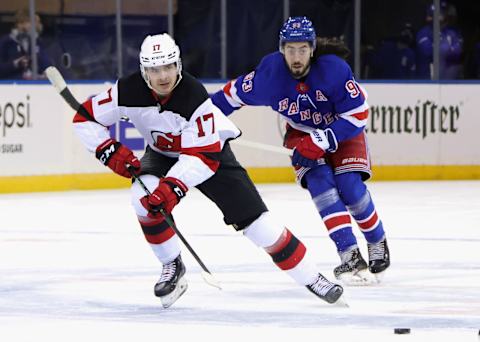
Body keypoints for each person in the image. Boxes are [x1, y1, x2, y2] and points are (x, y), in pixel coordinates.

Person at [71, 32, 344, 308]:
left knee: (260, 227)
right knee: (142, 201)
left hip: (210, 154)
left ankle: (312, 277)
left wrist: (172, 188)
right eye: (155, 69)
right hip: (162, 153)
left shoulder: (194, 96)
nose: (163, 76)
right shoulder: (126, 91)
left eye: (168, 66)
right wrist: (109, 151)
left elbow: (200, 158)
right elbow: (84, 118)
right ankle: (172, 266)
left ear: (178, 65)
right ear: (144, 71)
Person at [212, 17, 390, 285]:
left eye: (303, 49)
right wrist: (196, 121)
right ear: (281, 48)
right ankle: (349, 253)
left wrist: (322, 139)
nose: (296, 57)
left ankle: (377, 240)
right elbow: (228, 97)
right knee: (321, 185)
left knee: (350, 187)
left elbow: (359, 113)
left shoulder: (334, 70)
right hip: (301, 134)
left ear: (313, 48)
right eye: (290, 49)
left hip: (342, 129)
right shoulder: (269, 75)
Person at [416, 1, 463, 79]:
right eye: (440, 12)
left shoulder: (451, 33)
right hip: (427, 82)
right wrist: (447, 49)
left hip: (449, 81)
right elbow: (429, 52)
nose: (442, 14)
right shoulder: (423, 32)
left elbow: (457, 54)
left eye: (443, 12)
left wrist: (442, 49)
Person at [0, 9, 50, 79]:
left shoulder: (37, 42)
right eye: (25, 22)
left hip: (33, 83)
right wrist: (15, 64)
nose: (29, 25)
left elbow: (46, 64)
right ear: (18, 24)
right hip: (12, 84)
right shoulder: (6, 42)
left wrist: (46, 73)